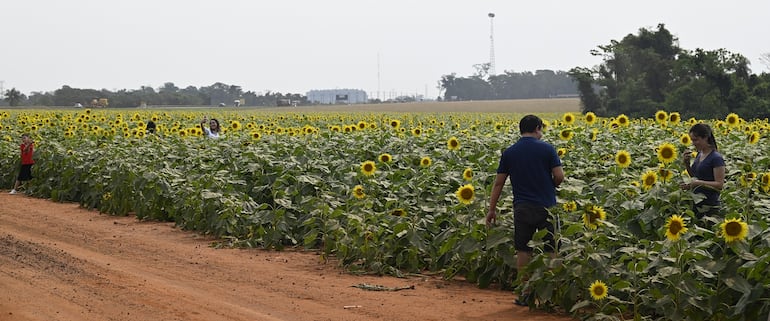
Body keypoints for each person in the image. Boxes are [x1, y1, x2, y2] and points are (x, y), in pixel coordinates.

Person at [486, 114, 564, 306]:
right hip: (546, 207)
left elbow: (498, 184)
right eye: (541, 129)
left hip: (522, 207)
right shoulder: (547, 149)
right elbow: (559, 175)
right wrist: (552, 185)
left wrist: (492, 209)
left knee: (523, 250)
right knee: (551, 249)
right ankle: (550, 295)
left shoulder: (510, 152)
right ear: (537, 128)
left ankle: (525, 293)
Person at [680, 123, 725, 219]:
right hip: (696, 203)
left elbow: (719, 184)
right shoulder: (699, 154)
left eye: (696, 140)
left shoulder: (716, 158)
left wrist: (697, 183)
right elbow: (695, 176)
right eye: (692, 140)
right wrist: (687, 164)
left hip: (709, 206)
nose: (693, 143)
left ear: (705, 138)